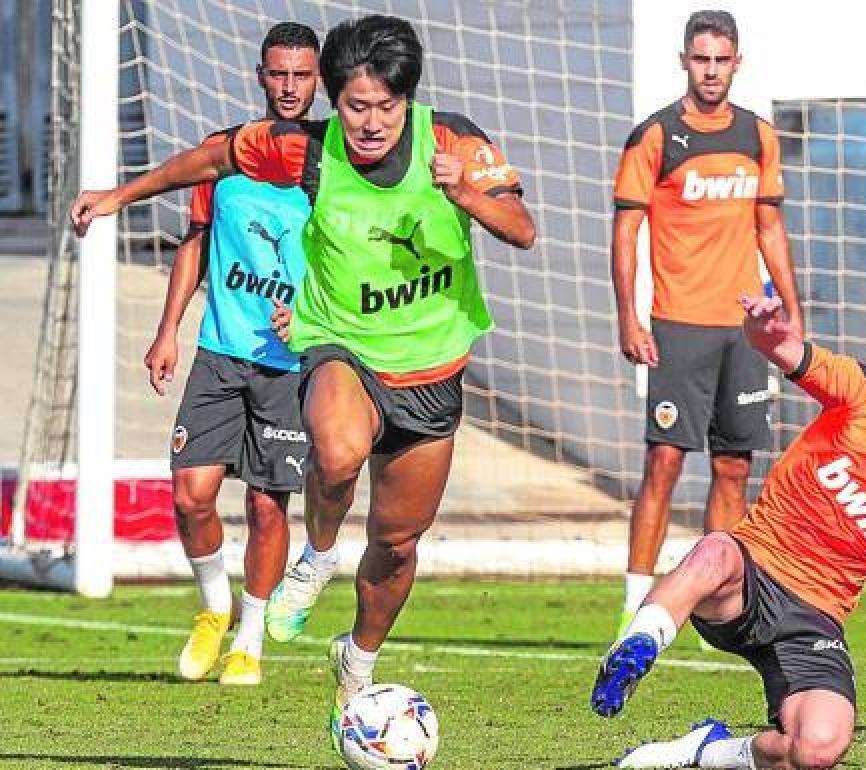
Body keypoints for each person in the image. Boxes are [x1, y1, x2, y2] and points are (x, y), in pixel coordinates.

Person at [69, 13, 535, 739]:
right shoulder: (305, 152)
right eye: (355, 106)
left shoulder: (454, 142)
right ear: (333, 96)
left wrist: (465, 194)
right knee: (338, 450)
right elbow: (207, 160)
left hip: (432, 367)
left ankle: (358, 657)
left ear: (406, 100)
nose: (370, 123)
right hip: (338, 344)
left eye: (385, 107)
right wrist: (116, 197)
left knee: (397, 543)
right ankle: (316, 555)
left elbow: (521, 228)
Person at [590, 295, 866, 770]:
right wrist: (761, 326)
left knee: (819, 747)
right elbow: (777, 346)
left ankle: (708, 751)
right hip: (748, 577)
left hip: (815, 618)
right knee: (717, 548)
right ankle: (636, 648)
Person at [610, 9, 803, 639]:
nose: (711, 71)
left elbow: (768, 227)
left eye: (722, 60)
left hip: (743, 330)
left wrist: (791, 314)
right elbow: (627, 231)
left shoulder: (757, 136)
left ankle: (720, 601)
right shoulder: (657, 135)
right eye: (702, 59)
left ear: (737, 62)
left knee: (735, 467)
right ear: (685, 61)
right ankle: (636, 608)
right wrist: (629, 317)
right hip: (678, 325)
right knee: (663, 462)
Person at [144, 21, 319, 686]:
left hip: (290, 362)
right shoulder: (225, 159)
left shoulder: (328, 168)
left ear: (317, 80)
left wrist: (310, 313)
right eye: (279, 73)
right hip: (219, 352)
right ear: (260, 75)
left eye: (302, 76)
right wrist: (169, 330)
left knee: (268, 506)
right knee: (191, 495)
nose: (290, 87)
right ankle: (214, 608)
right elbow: (193, 244)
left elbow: (349, 256)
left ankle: (250, 637)